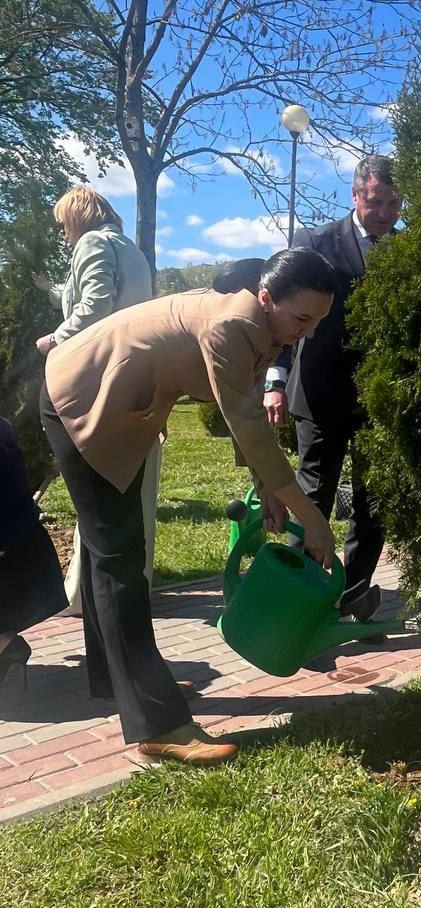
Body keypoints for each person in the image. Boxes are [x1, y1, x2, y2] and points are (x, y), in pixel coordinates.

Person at [6, 249, 337, 766]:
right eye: (302, 319)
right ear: (267, 296)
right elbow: (249, 423)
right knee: (119, 561)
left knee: (106, 554)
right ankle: (158, 724)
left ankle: (119, 683)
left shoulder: (259, 324)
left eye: (318, 321)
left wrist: (269, 486)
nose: (309, 332)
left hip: (116, 404)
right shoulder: (233, 326)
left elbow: (243, 407)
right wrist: (311, 518)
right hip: (83, 402)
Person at [263, 155, 402, 620]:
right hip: (320, 393)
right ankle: (298, 599)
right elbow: (282, 313)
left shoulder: (408, 252)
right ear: (355, 194)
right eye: (376, 201)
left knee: (372, 500)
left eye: (394, 203)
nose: (385, 212)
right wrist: (275, 378)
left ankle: (352, 596)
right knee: (313, 493)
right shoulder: (316, 243)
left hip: (382, 398)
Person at [31, 187, 155, 615]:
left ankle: (94, 602)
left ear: (78, 217)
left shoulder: (91, 242)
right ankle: (110, 606)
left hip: (92, 377)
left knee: (101, 516)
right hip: (131, 379)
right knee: (124, 514)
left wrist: (54, 339)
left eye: (65, 224)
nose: (65, 234)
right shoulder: (131, 251)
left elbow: (96, 303)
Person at [0, 418, 69, 690]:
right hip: (25, 554)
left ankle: (6, 644)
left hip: (14, 562)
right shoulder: (4, 427)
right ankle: (7, 644)